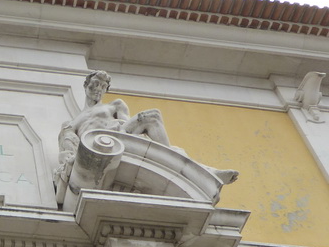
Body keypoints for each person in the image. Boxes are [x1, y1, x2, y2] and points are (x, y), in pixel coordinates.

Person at [55, 70, 237, 201]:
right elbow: (69, 149)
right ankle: (203, 169)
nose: (98, 89)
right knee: (176, 148)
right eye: (95, 84)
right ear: (86, 85)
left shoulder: (114, 105)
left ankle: (184, 163)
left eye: (103, 86)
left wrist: (118, 125)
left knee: (153, 117)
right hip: (95, 148)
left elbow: (126, 124)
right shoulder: (72, 123)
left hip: (117, 135)